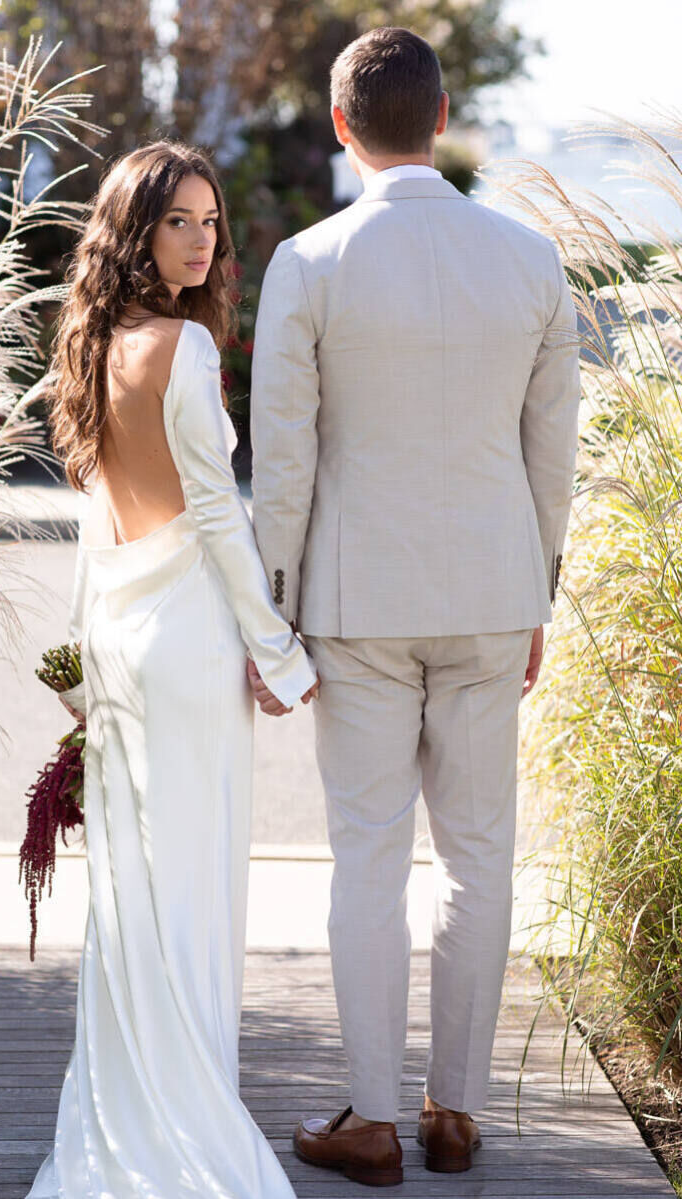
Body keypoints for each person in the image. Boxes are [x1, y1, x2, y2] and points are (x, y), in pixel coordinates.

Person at [249, 25, 581, 1187]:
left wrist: (271, 613)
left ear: (343, 126)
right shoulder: (533, 261)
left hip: (355, 603)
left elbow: (283, 465)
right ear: (442, 118)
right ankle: (458, 1111)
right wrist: (538, 587)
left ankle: (375, 1119)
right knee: (482, 859)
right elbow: (556, 456)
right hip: (494, 594)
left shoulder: (309, 262)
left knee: (368, 860)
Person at [24, 140, 319, 1199]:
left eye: (210, 222)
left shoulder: (93, 341)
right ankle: (187, 1114)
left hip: (120, 640)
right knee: (192, 890)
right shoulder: (185, 353)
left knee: (134, 894)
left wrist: (74, 658)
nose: (202, 240)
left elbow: (97, 518)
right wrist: (278, 648)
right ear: (136, 229)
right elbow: (217, 518)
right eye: (180, 221)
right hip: (188, 638)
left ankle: (135, 1108)